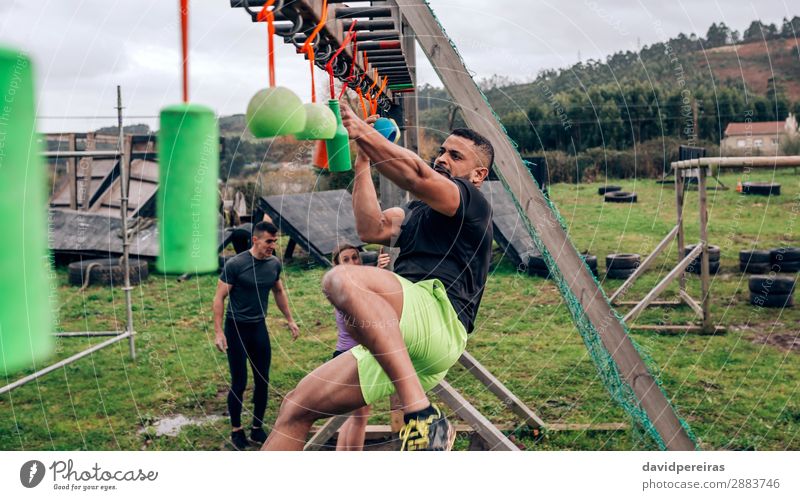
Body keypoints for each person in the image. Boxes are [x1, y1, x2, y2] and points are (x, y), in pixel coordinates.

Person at [262, 104, 494, 452]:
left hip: (437, 316)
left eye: (455, 155)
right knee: (296, 407)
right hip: (404, 338)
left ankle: (419, 412)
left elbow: (416, 174)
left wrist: (360, 130)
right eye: (442, 151)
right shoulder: (417, 209)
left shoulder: (470, 200)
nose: (443, 158)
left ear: (477, 174)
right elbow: (371, 227)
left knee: (344, 280)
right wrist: (363, 162)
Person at [212, 221, 300, 450]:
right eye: (269, 241)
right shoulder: (236, 264)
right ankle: (236, 430)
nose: (273, 245)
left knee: (263, 381)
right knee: (239, 382)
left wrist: (290, 319)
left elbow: (278, 291)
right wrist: (219, 332)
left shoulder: (273, 265)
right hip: (236, 329)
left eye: (275, 241)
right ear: (255, 240)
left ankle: (257, 428)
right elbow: (219, 297)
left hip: (258, 327)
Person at [330, 243, 390, 451]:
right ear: (336, 265)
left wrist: (379, 274)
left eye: (355, 257)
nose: (353, 262)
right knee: (360, 419)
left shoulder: (350, 282)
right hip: (352, 356)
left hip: (347, 355)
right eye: (345, 259)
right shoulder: (344, 287)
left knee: (353, 417)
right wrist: (381, 276)